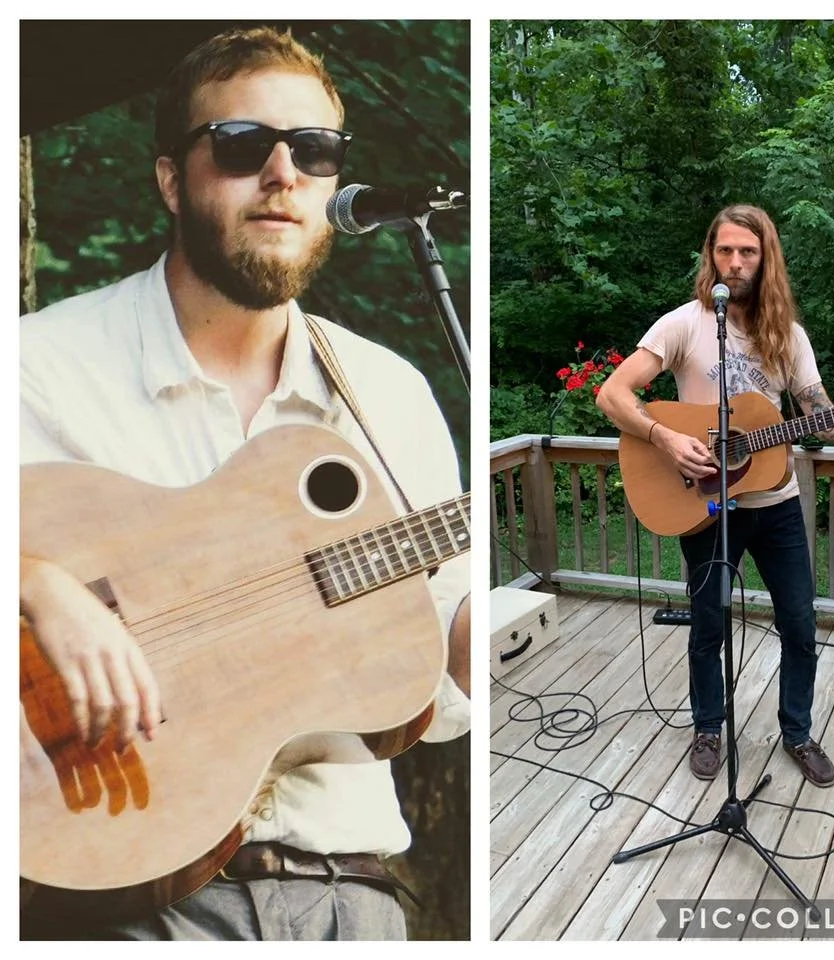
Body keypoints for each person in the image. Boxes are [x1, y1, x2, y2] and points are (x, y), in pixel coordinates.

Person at [19, 26, 470, 941]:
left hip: (357, 898)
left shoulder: (387, 394)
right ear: (170, 179)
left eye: (314, 149)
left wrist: (502, 627)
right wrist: (33, 583)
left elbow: (446, 668)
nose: (282, 173)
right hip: (125, 887)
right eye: (239, 144)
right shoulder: (37, 366)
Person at [596, 204, 834, 788]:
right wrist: (665, 437)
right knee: (707, 626)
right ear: (711, 256)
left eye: (748, 252)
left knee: (800, 624)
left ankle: (798, 732)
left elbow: (822, 415)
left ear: (766, 260)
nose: (735, 262)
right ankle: (708, 727)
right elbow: (612, 394)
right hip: (705, 505)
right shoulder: (682, 325)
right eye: (725, 251)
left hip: (777, 503)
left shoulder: (788, 336)